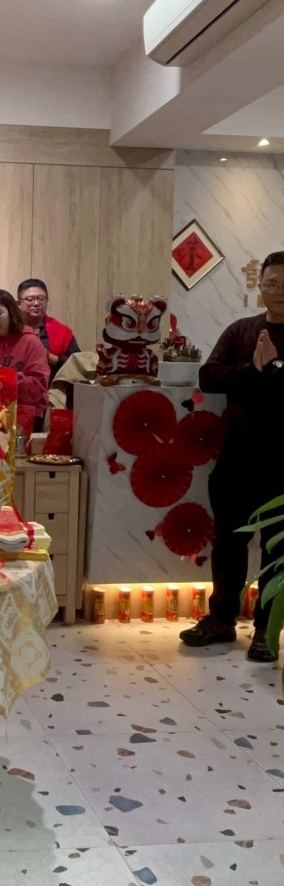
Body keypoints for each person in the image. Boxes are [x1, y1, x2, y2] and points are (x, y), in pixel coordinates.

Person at [180, 251, 284, 663]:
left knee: (278, 551)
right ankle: (221, 619)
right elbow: (209, 375)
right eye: (271, 284)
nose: (278, 292)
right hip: (237, 458)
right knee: (229, 544)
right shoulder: (242, 330)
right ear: (260, 287)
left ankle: (267, 631)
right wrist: (252, 370)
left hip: (282, 463)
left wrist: (273, 366)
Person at [0, 289, 50, 426]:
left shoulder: (31, 342)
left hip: (24, 418)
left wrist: (6, 377)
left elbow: (38, 386)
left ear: (11, 313)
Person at [16, 279, 79, 380]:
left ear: (47, 300)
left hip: (54, 387)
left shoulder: (62, 331)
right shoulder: (11, 330)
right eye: (30, 299)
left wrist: (49, 357)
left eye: (41, 298)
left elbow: (78, 366)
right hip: (18, 386)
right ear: (18, 303)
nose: (36, 303)